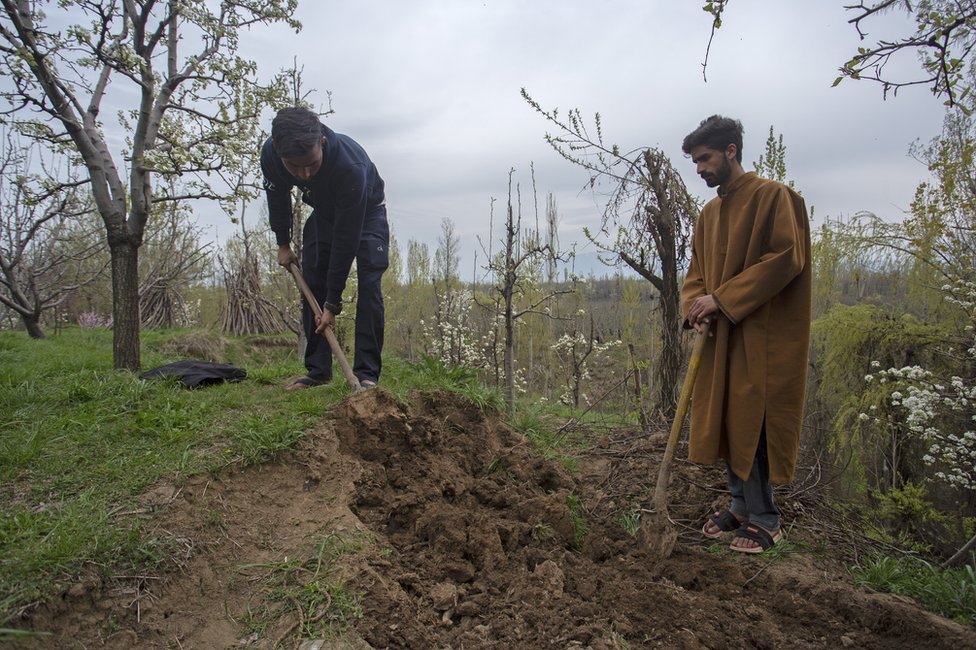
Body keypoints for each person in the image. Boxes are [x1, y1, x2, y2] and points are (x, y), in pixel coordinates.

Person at [679, 115, 812, 554]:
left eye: (705, 158)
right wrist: (696, 308)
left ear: (731, 151)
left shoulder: (776, 197)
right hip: (721, 337)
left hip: (761, 335)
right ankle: (739, 506)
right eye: (695, 161)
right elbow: (697, 273)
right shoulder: (710, 213)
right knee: (725, 419)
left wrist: (723, 299)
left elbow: (785, 258)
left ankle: (766, 519)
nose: (699, 169)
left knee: (751, 419)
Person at [262, 106, 389, 390]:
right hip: (323, 212)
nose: (304, 174)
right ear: (278, 151)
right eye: (294, 167)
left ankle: (367, 374)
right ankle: (318, 372)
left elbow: (346, 240)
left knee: (369, 283)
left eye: (312, 164)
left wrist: (333, 303)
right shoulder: (271, 155)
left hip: (365, 213)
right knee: (313, 277)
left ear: (321, 142)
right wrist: (283, 242)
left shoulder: (349, 166)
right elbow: (277, 196)